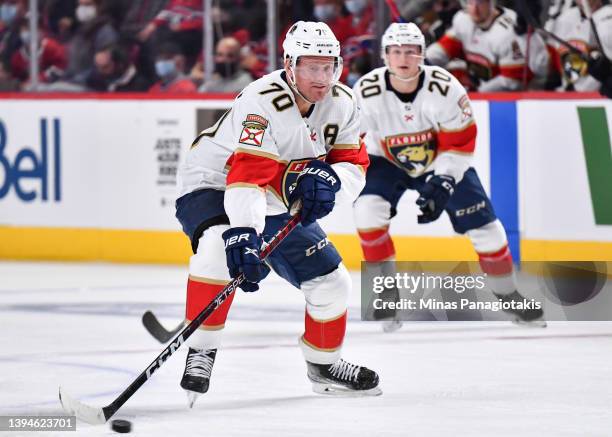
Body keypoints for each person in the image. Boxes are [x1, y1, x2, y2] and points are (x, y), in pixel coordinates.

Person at [175, 20, 379, 406]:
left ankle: (324, 366)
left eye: (329, 66)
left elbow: (354, 164)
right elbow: (247, 178)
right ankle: (202, 350)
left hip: (273, 193)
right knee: (220, 248)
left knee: (333, 283)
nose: (322, 77)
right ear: (289, 64)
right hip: (214, 183)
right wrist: (245, 234)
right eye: (311, 67)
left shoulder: (345, 104)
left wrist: (330, 183)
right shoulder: (261, 102)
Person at [352, 23, 545, 331]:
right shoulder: (365, 91)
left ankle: (509, 294)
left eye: (411, 52)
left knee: (488, 231)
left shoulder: (446, 88)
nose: (403, 59)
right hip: (386, 161)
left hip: (441, 160)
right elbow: (348, 141)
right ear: (384, 56)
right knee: (366, 212)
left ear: (423, 56)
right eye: (396, 52)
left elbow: (460, 143)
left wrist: (444, 181)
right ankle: (386, 293)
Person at [426, 0, 549, 91]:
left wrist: (477, 94)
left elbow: (512, 82)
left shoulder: (508, 32)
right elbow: (443, 49)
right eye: (470, 3)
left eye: (480, 3)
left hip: (513, 100)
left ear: (491, 2)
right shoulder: (462, 19)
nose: (474, 10)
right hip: (479, 89)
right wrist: (421, 61)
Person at [551, 0, 612, 96]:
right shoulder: (564, 19)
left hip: (600, 99)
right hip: (568, 98)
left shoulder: (608, 19)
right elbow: (549, 65)